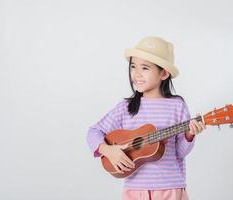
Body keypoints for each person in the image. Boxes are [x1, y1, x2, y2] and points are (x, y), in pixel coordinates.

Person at [86, 36, 205, 200]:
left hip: (170, 188)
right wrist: (108, 150)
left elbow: (179, 152)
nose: (136, 74)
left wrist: (190, 135)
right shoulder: (126, 107)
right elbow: (93, 132)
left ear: (163, 73)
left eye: (145, 68)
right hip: (135, 191)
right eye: (133, 66)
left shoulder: (177, 106)